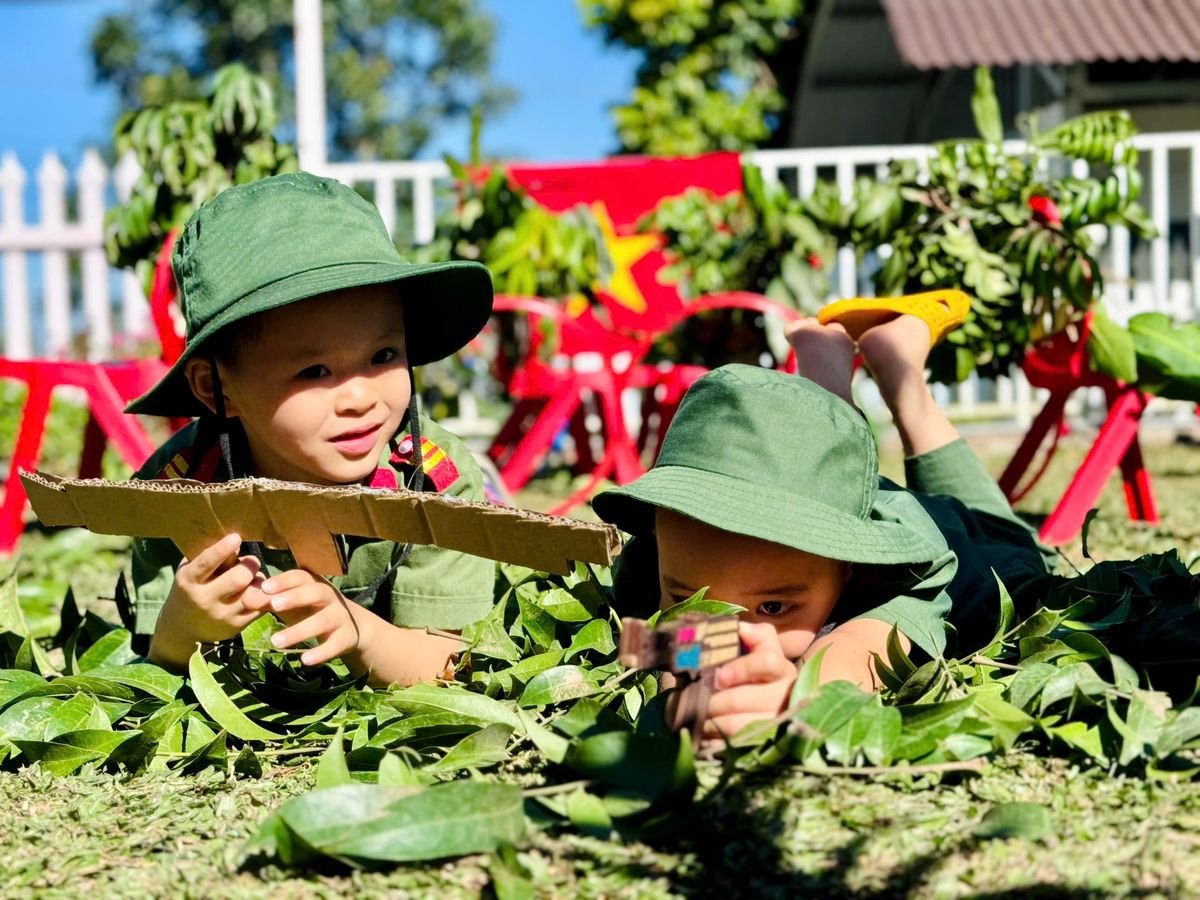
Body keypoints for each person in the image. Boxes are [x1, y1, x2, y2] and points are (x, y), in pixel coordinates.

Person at [592, 313, 1058, 740]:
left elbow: (851, 655)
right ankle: (827, 371)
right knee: (831, 471)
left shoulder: (897, 584)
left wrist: (796, 701)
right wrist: (679, 674)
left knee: (991, 520)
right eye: (688, 600)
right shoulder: (660, 554)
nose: (735, 635)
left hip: (969, 543)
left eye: (773, 607)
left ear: (852, 567)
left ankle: (902, 372)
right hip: (832, 502)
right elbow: (642, 641)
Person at [126, 172, 497, 686]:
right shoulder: (178, 493)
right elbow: (157, 667)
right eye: (314, 371)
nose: (360, 398)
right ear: (216, 389)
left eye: (383, 356)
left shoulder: (433, 485)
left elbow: (444, 667)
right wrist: (182, 631)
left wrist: (362, 634)